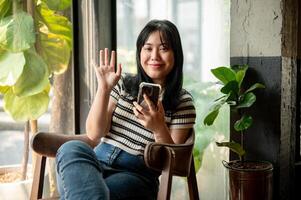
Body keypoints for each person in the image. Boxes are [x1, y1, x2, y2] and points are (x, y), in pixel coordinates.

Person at [55, 19, 196, 200]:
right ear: (139, 53)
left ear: (176, 54)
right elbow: (94, 134)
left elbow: (174, 163)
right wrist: (104, 89)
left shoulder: (182, 102)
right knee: (71, 148)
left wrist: (158, 127)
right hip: (94, 164)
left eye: (163, 48)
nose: (155, 56)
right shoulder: (122, 83)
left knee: (86, 192)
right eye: (148, 48)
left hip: (136, 176)